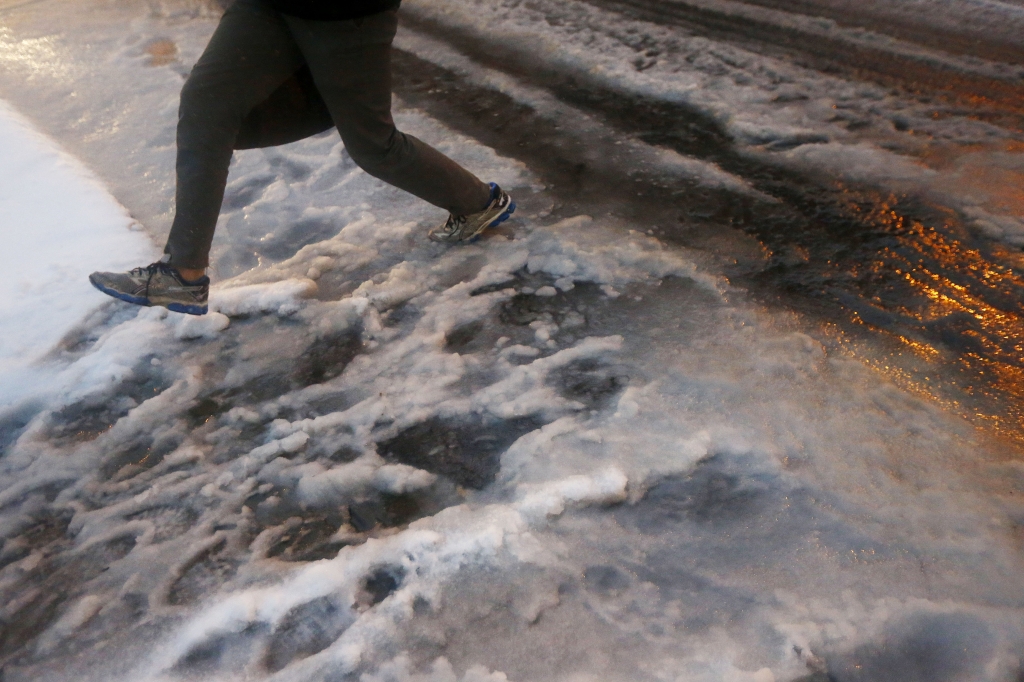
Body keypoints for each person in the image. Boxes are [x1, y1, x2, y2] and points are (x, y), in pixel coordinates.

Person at [89, 0, 514, 316]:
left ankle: (478, 203)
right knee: (206, 107)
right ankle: (182, 274)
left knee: (372, 144)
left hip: (341, 13)